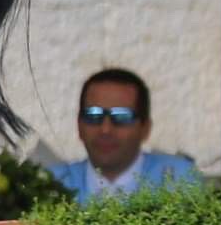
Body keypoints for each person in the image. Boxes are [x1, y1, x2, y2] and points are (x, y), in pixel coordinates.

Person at [49, 68, 199, 204]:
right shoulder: (53, 184)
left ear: (145, 128)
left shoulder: (178, 179)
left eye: (122, 117)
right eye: (93, 116)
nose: (105, 129)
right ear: (79, 126)